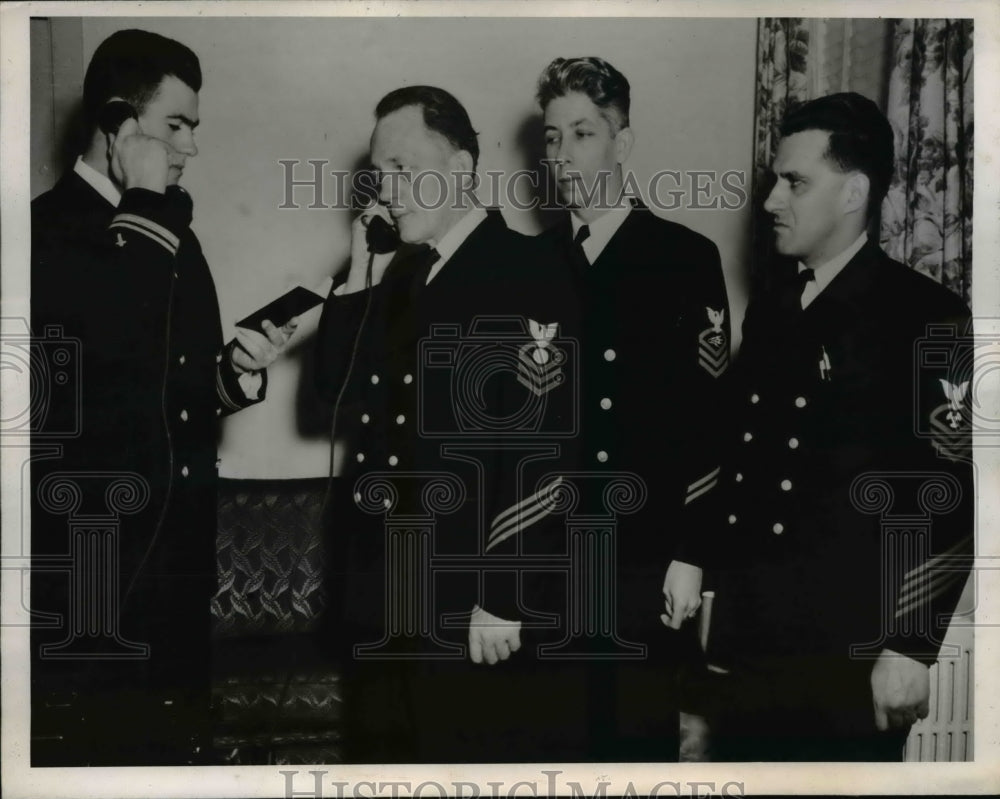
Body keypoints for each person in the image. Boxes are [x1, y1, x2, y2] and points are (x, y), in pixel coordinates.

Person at [30, 28, 296, 766]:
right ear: (119, 126)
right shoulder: (41, 232)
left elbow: (165, 389)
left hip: (176, 560)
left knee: (175, 753)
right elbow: (101, 361)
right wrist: (144, 196)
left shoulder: (172, 226)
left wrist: (232, 375)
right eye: (175, 126)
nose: (191, 147)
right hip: (93, 568)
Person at [315, 85, 580, 762]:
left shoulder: (526, 269)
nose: (387, 189)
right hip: (382, 598)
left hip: (465, 602)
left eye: (404, 168)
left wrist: (506, 594)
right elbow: (328, 402)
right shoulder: (397, 279)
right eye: (380, 173)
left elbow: (541, 448)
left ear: (461, 167)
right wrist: (356, 277)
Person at [705, 92, 974, 761]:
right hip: (756, 639)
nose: (770, 200)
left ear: (854, 191)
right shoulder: (773, 307)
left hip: (850, 651)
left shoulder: (927, 315)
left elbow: (953, 492)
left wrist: (912, 644)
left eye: (794, 181)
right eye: (774, 179)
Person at [535, 56, 731, 761]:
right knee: (547, 748)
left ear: (624, 141)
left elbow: (710, 420)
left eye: (582, 133)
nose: (562, 154)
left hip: (641, 552)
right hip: (546, 552)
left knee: (633, 746)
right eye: (551, 136)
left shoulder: (682, 257)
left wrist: (692, 551)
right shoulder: (531, 262)